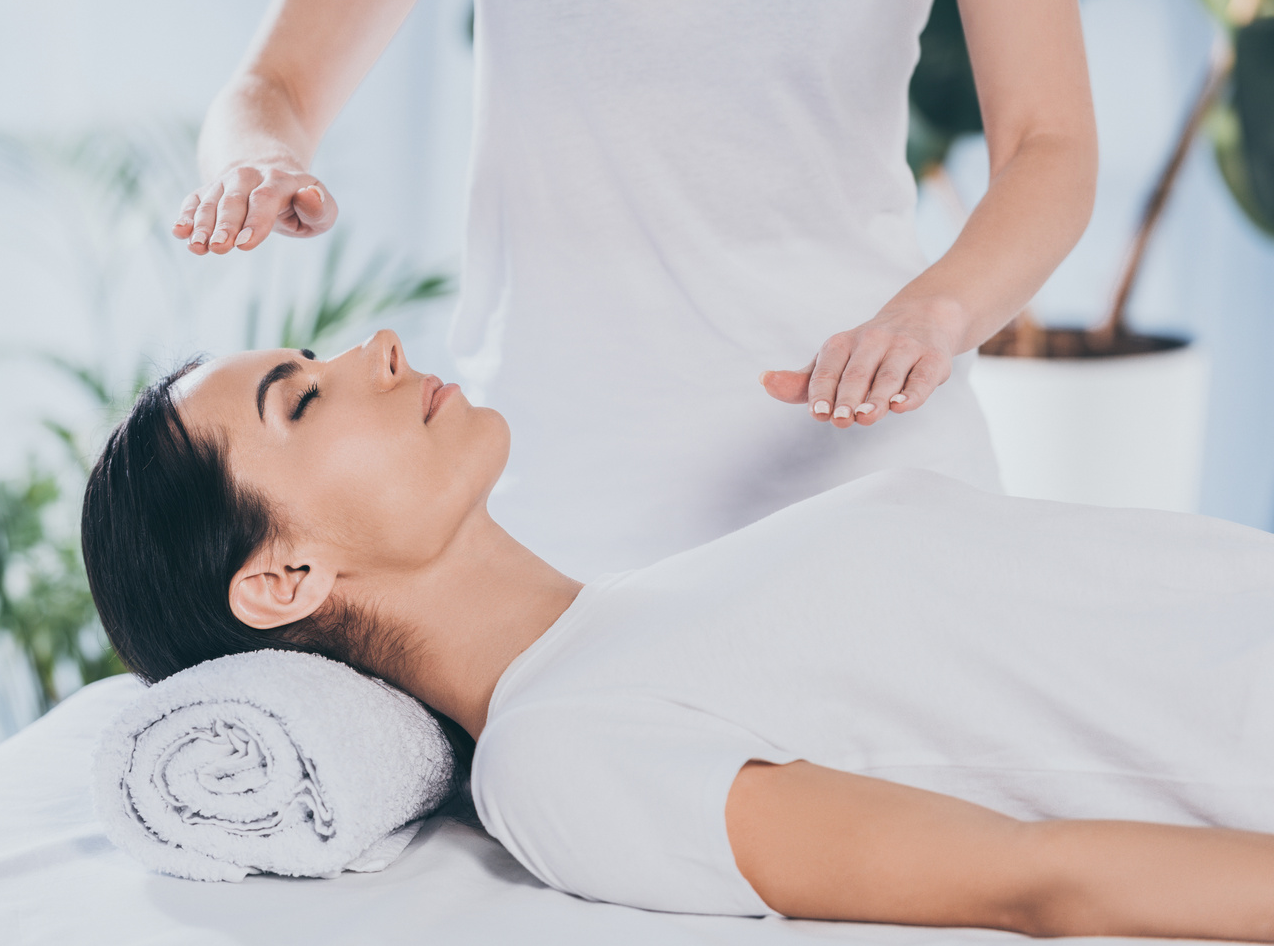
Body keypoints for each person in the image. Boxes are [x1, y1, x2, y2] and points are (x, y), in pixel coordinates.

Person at [82, 331, 1274, 939]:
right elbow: (1031, 877)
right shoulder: (560, 755)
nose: (376, 348)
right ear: (285, 575)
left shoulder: (645, 608)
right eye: (303, 396)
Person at [170, 0, 1098, 578]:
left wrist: (933, 316)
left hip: (866, 472)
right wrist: (256, 158)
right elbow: (275, 87)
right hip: (554, 513)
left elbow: (1049, 145)